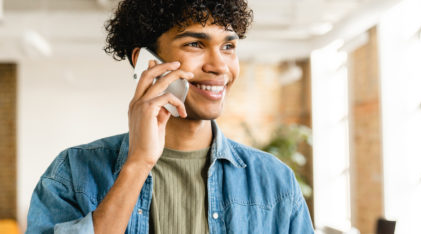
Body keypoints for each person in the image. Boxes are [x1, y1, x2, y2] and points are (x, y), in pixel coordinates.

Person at [26, 0, 315, 233]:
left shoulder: (275, 182)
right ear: (146, 61)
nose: (219, 66)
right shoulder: (73, 173)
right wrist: (138, 163)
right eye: (195, 44)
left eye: (228, 46)